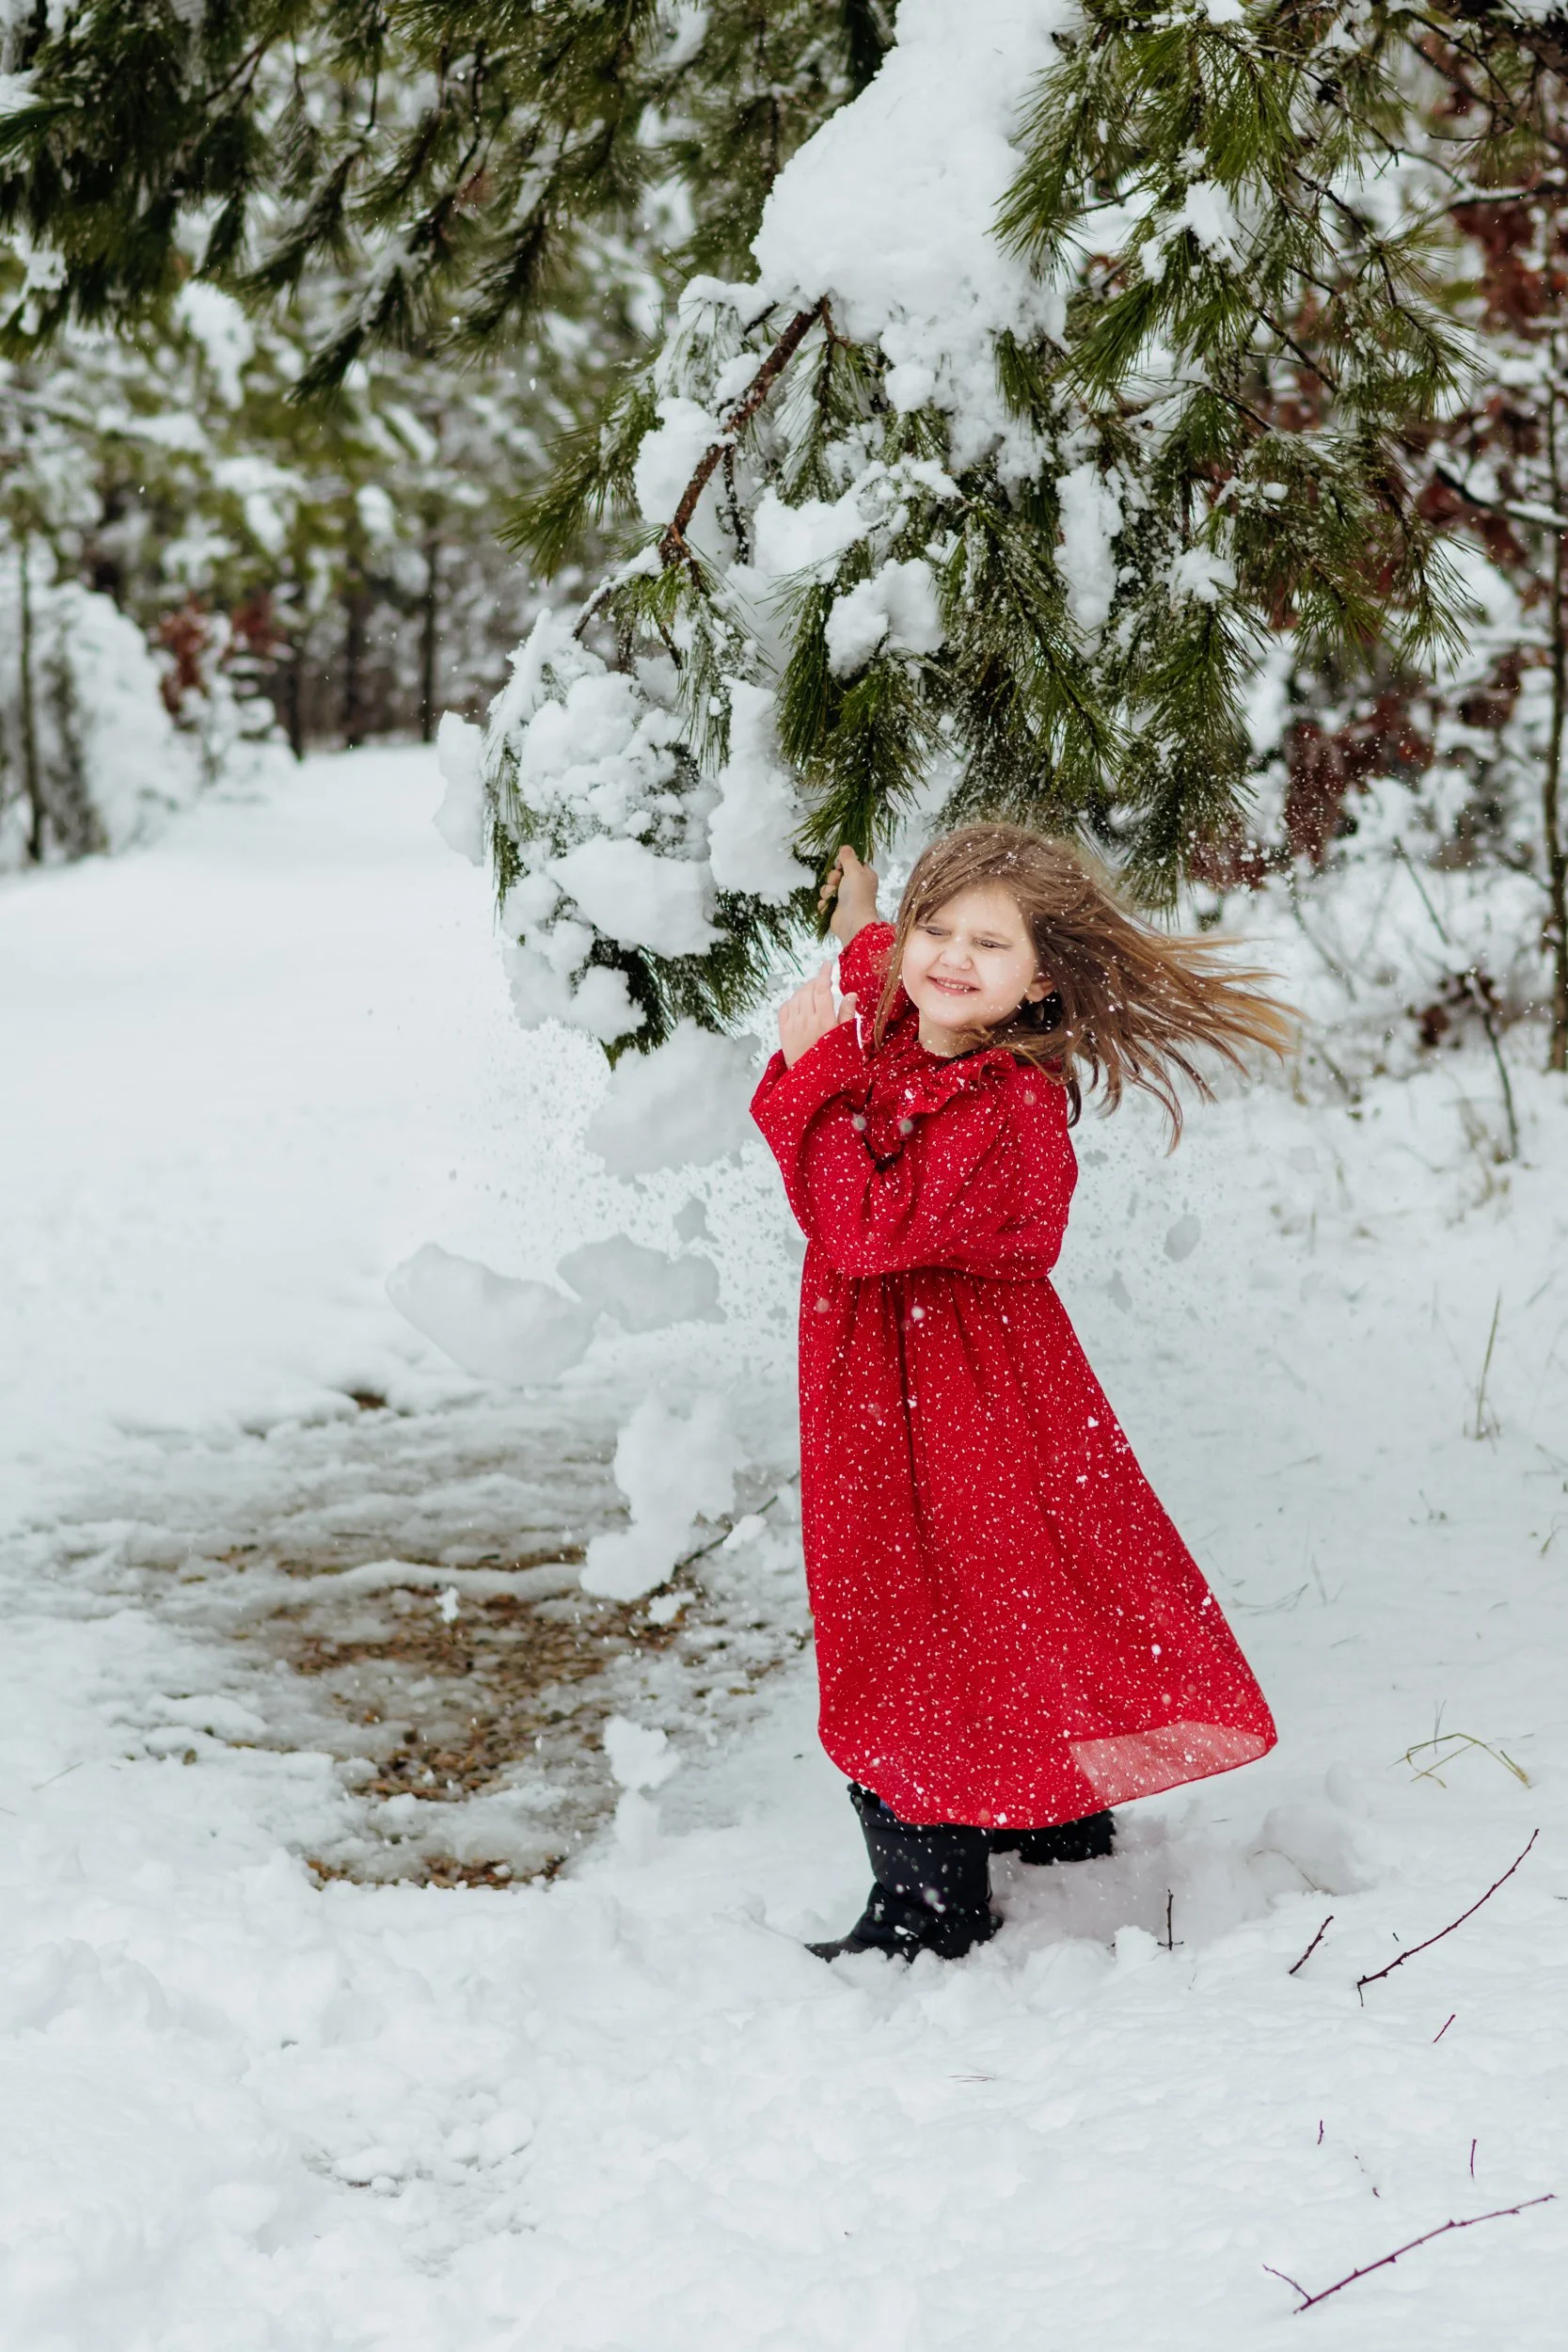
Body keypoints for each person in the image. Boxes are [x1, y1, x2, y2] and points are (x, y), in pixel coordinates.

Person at [750, 823, 1294, 1963]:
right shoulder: (904, 1006)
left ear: (1040, 978)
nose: (949, 956)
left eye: (987, 943)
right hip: (892, 1383)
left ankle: (930, 1901)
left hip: (960, 1396)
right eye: (935, 928)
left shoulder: (1008, 1103)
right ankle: (1047, 1818)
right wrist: (862, 911)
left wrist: (815, 1078)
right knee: (976, 1593)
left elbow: (864, 1228)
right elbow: (881, 953)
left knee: (922, 1604)